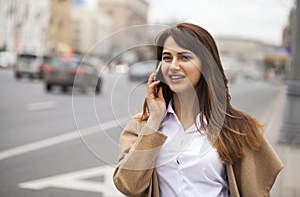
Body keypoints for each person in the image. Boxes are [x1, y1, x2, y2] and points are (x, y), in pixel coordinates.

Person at [113, 23, 283, 197]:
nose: (173, 66)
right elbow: (128, 186)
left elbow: (257, 188)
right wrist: (155, 119)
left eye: (184, 57)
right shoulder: (143, 125)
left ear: (206, 64)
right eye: (167, 57)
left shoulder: (239, 128)